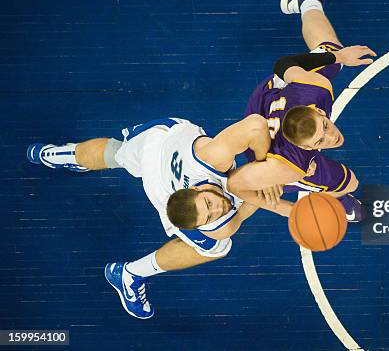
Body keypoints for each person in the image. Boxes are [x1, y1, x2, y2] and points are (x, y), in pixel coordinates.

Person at [26, 114, 275, 319]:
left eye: (210, 205)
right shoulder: (218, 225)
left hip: (163, 140)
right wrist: (266, 179)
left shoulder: (212, 158)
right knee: (216, 247)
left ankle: (59, 155)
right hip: (157, 166)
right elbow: (234, 221)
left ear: (197, 189)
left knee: (117, 152)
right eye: (210, 212)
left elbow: (256, 125)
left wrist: (265, 165)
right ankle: (130, 274)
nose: (218, 210)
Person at [228, 0, 376, 219]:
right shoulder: (293, 166)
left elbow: (283, 66)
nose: (332, 138)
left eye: (326, 127)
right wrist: (293, 210)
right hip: (275, 164)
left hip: (267, 101)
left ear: (318, 111)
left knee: (330, 52)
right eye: (320, 142)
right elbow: (234, 185)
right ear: (305, 148)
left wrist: (338, 57)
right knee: (350, 184)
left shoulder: (314, 89)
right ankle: (336, 203)